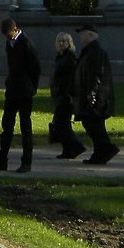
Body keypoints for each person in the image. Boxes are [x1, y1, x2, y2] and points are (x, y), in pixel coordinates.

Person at [0, 16, 41, 173]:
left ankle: (26, 161)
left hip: (24, 90)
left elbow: (35, 68)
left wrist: (32, 87)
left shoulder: (26, 44)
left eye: (9, 35)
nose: (8, 38)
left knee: (25, 126)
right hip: (13, 89)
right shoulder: (10, 43)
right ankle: (2, 159)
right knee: (7, 125)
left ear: (15, 29)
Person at [73, 24, 118, 164]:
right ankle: (100, 154)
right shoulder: (90, 51)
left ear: (91, 35)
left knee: (93, 124)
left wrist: (92, 95)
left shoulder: (94, 52)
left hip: (95, 97)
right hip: (95, 95)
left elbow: (95, 76)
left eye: (82, 33)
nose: (80, 36)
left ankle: (106, 149)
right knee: (94, 125)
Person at [48, 31, 85, 160]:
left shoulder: (70, 57)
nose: (62, 43)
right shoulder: (60, 56)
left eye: (64, 41)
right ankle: (68, 149)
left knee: (61, 123)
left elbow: (73, 78)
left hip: (66, 95)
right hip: (60, 94)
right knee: (62, 124)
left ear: (70, 43)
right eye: (60, 41)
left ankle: (76, 145)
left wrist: (71, 93)